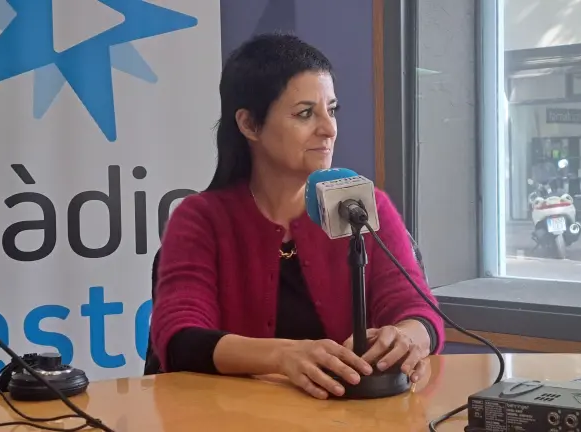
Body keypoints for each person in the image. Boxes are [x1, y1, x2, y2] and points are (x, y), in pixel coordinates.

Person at [150, 33, 444, 400]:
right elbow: (179, 338)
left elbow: (419, 312)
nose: (329, 129)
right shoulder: (201, 219)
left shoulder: (363, 207)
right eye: (305, 113)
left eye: (331, 110)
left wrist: (407, 337)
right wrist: (283, 355)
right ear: (249, 125)